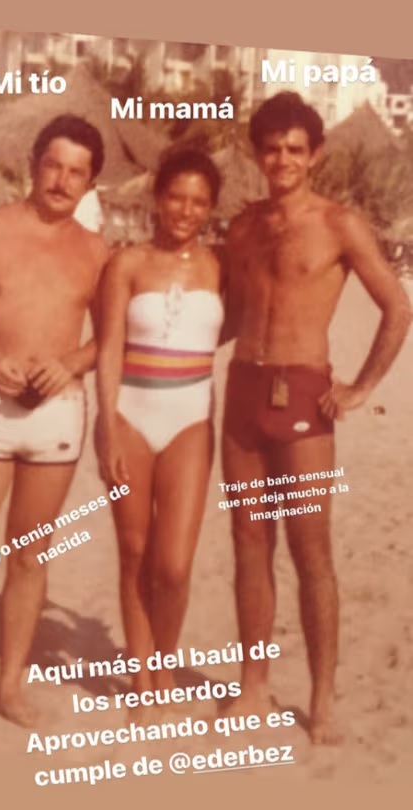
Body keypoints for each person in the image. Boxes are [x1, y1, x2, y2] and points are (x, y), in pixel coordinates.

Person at [222, 92, 411, 744]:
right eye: (272, 149)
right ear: (257, 153)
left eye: (295, 149)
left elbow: (398, 308)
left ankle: (322, 701)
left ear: (315, 154)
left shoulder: (339, 224)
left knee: (311, 553)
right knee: (249, 542)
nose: (283, 160)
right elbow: (226, 317)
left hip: (304, 395)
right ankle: (253, 687)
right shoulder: (243, 227)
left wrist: (362, 386)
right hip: (243, 391)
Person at [0, 114, 109, 726]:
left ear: (89, 182)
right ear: (33, 164)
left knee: (28, 556)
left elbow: (110, 338)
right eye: (54, 165)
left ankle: (10, 688)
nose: (62, 181)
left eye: (76, 172)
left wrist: (70, 363)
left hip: (56, 415)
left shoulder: (95, 251)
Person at [95, 149, 224, 710]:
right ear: (158, 197)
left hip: (191, 420)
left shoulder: (220, 267)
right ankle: (141, 677)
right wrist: (105, 426)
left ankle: (164, 664)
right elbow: (108, 350)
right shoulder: (126, 263)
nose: (185, 210)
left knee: (172, 565)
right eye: (176, 197)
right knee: (134, 551)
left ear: (211, 207)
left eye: (199, 201)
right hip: (130, 413)